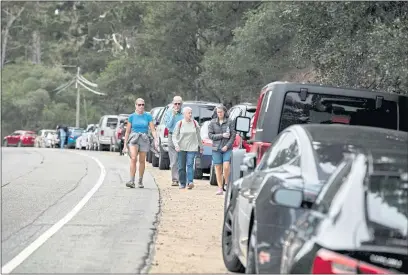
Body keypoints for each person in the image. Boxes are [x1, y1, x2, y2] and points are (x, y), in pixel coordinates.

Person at [123, 98, 157, 188]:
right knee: (133, 158)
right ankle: (131, 180)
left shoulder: (148, 116)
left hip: (144, 138)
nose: (141, 106)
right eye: (139, 105)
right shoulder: (132, 117)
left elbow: (153, 130)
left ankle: (140, 180)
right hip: (134, 138)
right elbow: (127, 132)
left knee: (142, 160)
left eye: (143, 105)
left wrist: (156, 139)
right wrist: (124, 145)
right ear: (135, 106)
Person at [172, 107, 203, 189]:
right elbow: (174, 136)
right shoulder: (180, 123)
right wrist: (176, 145)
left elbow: (199, 136)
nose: (190, 114)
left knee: (190, 164)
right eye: (188, 113)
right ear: (184, 114)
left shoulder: (195, 123)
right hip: (181, 148)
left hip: (192, 147)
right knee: (181, 166)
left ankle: (190, 182)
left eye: (191, 113)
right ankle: (182, 183)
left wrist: (201, 146)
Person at [208, 105, 236, 195]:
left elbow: (233, 136)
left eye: (221, 112)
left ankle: (227, 184)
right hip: (216, 148)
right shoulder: (212, 123)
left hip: (227, 148)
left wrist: (227, 146)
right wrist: (222, 135)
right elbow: (210, 136)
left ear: (224, 112)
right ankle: (220, 188)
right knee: (218, 168)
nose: (219, 114)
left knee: (226, 166)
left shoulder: (230, 122)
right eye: (218, 112)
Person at [163, 96, 184, 186]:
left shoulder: (185, 112)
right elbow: (168, 125)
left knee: (182, 158)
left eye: (179, 104)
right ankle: (175, 179)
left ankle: (182, 179)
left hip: (183, 137)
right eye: (175, 103)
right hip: (172, 136)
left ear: (181, 104)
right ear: (173, 103)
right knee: (174, 159)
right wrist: (173, 115)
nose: (177, 105)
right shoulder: (168, 112)